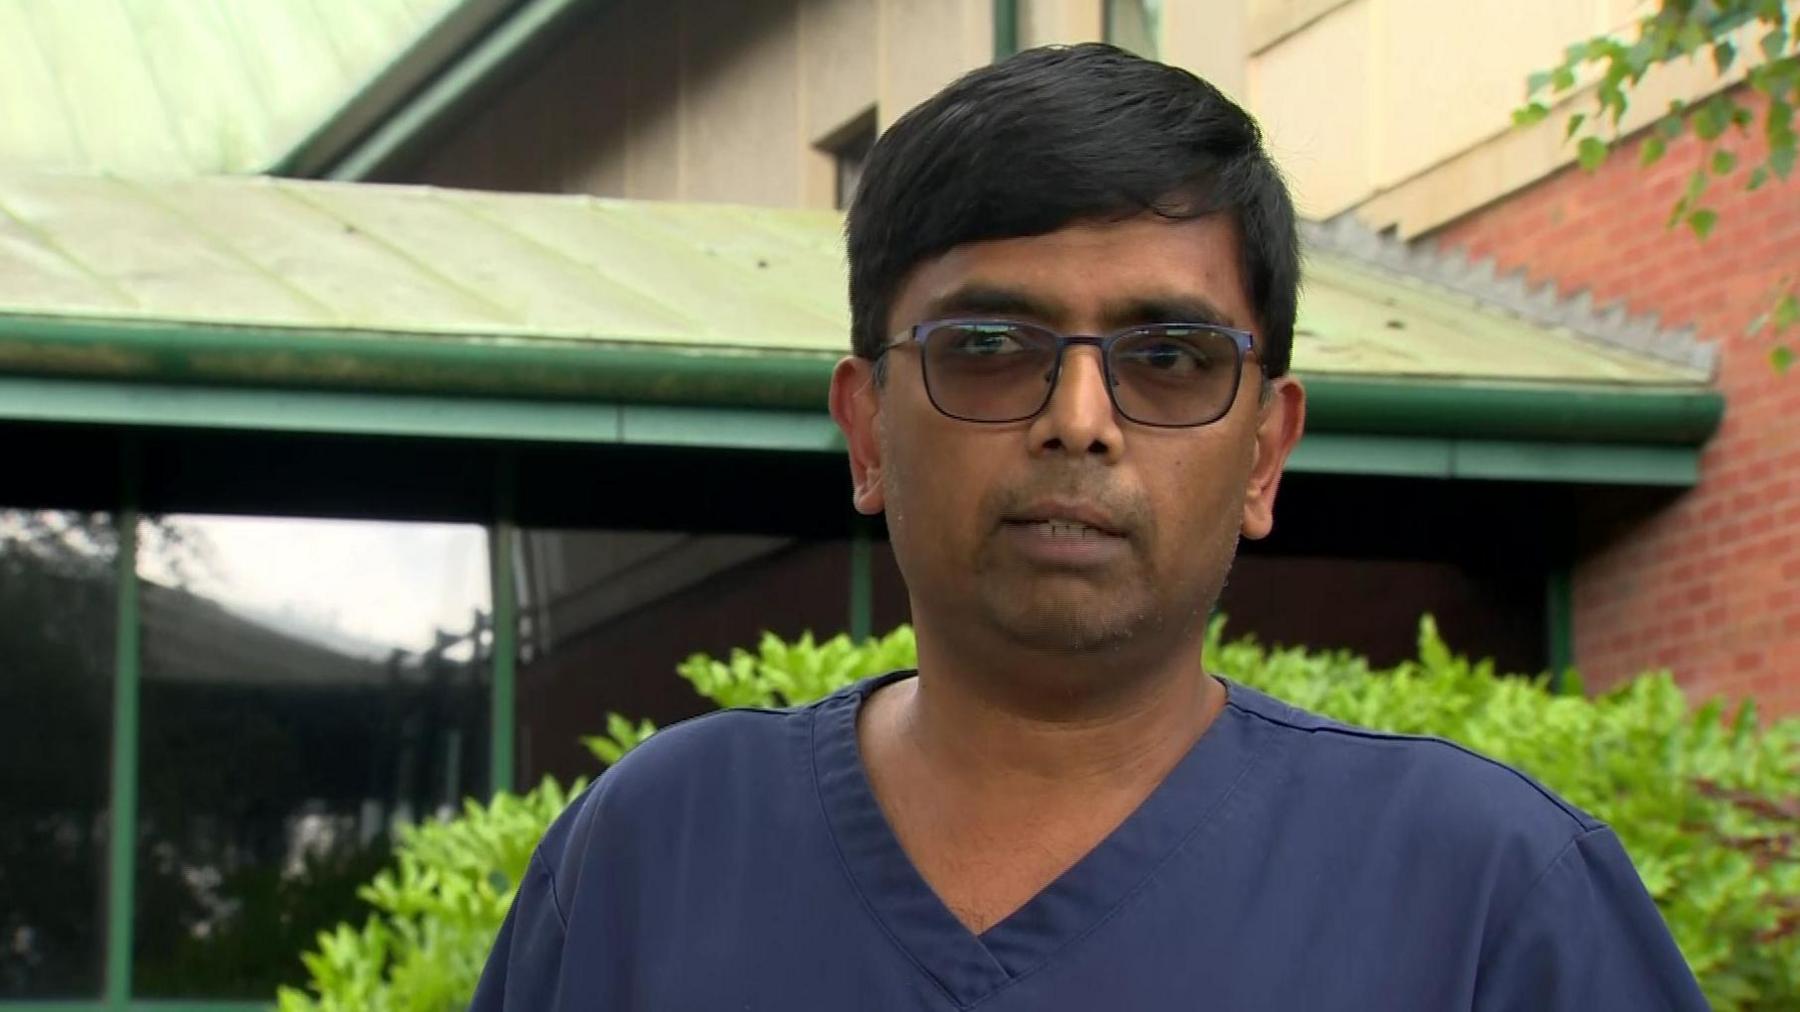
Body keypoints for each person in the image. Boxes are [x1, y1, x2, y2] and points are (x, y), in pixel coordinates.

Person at [470, 43, 1707, 1010]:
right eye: (990, 347)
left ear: (1266, 450)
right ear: (868, 433)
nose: (1079, 419)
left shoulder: (1493, 896)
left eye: (1167, 355)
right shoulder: (648, 856)